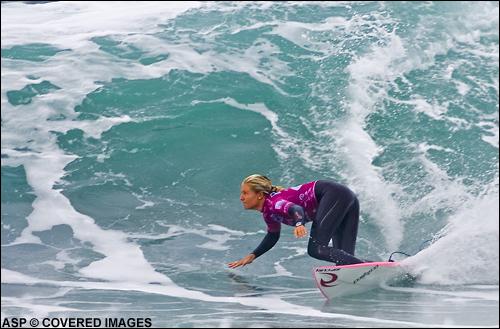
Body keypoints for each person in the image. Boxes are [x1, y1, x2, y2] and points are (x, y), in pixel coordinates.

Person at [228, 174, 366, 269]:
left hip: (333, 195)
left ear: (259, 195)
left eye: (245, 193)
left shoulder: (274, 203)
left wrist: (299, 223)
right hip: (342, 196)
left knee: (316, 249)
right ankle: (384, 267)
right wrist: (253, 255)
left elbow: (295, 209)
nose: (241, 197)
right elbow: (272, 236)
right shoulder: (268, 213)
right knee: (347, 266)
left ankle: (372, 269)